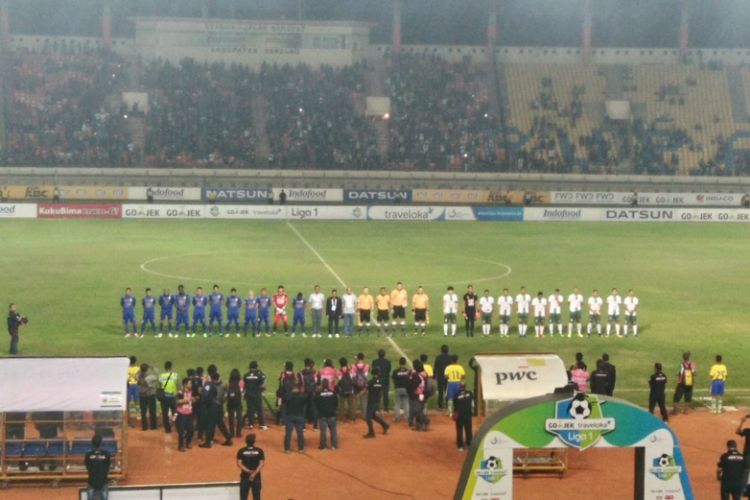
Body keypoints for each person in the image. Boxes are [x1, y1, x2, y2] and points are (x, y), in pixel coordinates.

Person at [363, 367, 390, 438]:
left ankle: (371, 433)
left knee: (368, 418)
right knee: (373, 416)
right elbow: (381, 392)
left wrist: (357, 396)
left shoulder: (371, 382)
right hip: (377, 401)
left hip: (371, 401)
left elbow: (364, 390)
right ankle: (385, 425)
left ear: (373, 374)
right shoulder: (381, 382)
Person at [237, 433, 265, 500]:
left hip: (245, 476)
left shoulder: (241, 451)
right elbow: (261, 464)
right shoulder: (259, 451)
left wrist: (249, 471)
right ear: (254, 441)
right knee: (257, 497)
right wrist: (254, 473)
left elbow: (239, 464)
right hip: (256, 477)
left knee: (243, 497)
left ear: (246, 441)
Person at [84, 434, 111, 500]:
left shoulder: (88, 454)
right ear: (101, 443)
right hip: (103, 481)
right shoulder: (107, 454)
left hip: (92, 481)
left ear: (92, 443)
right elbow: (108, 465)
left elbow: (87, 465)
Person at [243, 361, 268, 430]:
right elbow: (263, 378)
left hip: (249, 395)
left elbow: (245, 384)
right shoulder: (259, 375)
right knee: (259, 409)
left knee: (250, 409)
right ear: (256, 367)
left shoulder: (246, 375)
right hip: (257, 395)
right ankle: (262, 425)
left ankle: (251, 425)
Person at [315, 381, 339, 450]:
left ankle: (324, 446)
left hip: (322, 415)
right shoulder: (333, 393)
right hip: (332, 415)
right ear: (328, 385)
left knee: (323, 432)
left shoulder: (319, 394)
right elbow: (336, 404)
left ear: (322, 385)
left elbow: (316, 404)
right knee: (333, 431)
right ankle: (334, 445)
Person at [283, 383, 306, 453]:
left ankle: (287, 449)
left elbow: (284, 406)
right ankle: (301, 449)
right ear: (298, 389)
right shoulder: (302, 396)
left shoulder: (287, 395)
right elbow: (304, 405)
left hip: (289, 416)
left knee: (288, 433)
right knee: (300, 433)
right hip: (299, 416)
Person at [408, 360, 430, 431]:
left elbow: (413, 385)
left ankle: (425, 421)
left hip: (418, 394)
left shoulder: (417, 376)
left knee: (416, 410)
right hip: (422, 394)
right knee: (419, 410)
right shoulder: (424, 374)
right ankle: (419, 426)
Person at [137, 363, 158, 430]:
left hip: (142, 396)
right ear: (147, 370)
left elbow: (136, 374)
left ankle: (144, 427)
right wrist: (152, 367)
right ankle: (153, 427)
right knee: (152, 411)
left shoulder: (138, 376)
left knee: (143, 412)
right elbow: (158, 375)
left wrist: (142, 369)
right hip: (151, 395)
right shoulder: (151, 377)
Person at [158, 361, 178, 433]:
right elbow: (177, 384)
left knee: (165, 414)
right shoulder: (175, 375)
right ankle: (177, 426)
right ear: (171, 367)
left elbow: (160, 385)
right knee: (175, 412)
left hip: (164, 397)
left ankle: (167, 429)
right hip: (173, 397)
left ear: (165, 368)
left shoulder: (161, 376)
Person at [175, 378, 194, 451]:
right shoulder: (180, 392)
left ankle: (188, 442)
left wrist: (193, 399)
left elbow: (191, 399)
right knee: (181, 431)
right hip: (181, 414)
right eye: (190, 383)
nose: (191, 385)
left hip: (189, 413)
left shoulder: (191, 391)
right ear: (185, 384)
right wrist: (184, 401)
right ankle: (181, 446)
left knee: (191, 430)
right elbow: (176, 401)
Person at [453, 383, 473, 451]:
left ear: (459, 387)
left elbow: (455, 404)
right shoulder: (470, 393)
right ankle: (469, 444)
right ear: (465, 387)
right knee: (469, 430)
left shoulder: (456, 395)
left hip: (460, 416)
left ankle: (460, 446)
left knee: (459, 430)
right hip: (468, 414)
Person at [300, 358, 318, 430]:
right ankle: (315, 426)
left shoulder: (301, 372)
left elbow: (300, 383)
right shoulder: (314, 372)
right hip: (313, 392)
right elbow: (317, 382)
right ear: (311, 364)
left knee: (304, 408)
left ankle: (303, 427)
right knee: (314, 408)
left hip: (304, 392)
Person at [226, 369, 244, 438]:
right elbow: (243, 392)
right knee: (239, 417)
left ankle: (232, 433)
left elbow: (227, 393)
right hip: (238, 402)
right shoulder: (241, 382)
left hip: (230, 403)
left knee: (231, 418)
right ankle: (238, 433)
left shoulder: (228, 384)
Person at [352, 353, 370, 418]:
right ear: (363, 358)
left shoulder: (353, 366)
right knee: (364, 401)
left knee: (354, 400)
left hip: (355, 385)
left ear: (357, 358)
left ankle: (353, 416)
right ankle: (364, 415)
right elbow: (367, 374)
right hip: (364, 385)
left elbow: (352, 376)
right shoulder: (367, 366)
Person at [434, 345, 452, 410]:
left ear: (441, 350)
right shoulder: (450, 358)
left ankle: (440, 406)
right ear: (447, 350)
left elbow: (435, 367)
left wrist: (434, 376)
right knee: (447, 391)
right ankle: (447, 405)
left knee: (440, 392)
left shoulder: (438, 357)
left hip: (440, 377)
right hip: (447, 377)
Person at [127, 356, 140, 423]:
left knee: (128, 401)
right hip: (135, 385)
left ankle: (127, 415)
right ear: (135, 361)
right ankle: (138, 415)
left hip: (128, 385)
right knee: (137, 400)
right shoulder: (138, 368)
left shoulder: (126, 368)